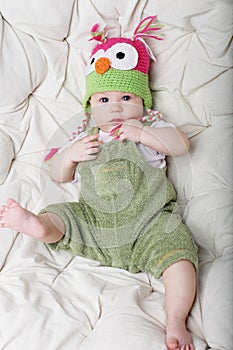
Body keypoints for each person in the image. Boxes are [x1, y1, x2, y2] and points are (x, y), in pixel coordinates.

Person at [0, 16, 198, 350]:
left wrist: (144, 133)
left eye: (126, 98)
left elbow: (182, 144)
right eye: (104, 100)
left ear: (142, 103)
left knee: (180, 254)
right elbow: (57, 175)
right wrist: (71, 155)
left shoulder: (150, 128)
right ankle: (37, 226)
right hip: (97, 222)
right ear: (91, 107)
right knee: (62, 213)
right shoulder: (85, 136)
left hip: (150, 224)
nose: (116, 107)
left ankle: (175, 317)